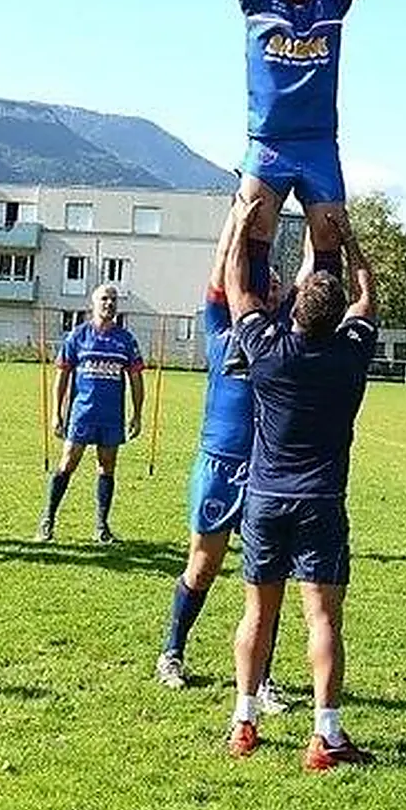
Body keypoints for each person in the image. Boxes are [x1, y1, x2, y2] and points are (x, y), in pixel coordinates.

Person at [224, 200, 377, 771]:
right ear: (337, 319)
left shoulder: (266, 349)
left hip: (265, 499)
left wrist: (242, 226)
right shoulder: (351, 353)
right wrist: (350, 241)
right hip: (321, 502)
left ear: (292, 309)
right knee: (323, 620)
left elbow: (238, 288)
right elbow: (367, 296)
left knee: (257, 615)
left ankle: (244, 722)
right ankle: (325, 736)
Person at [155, 206, 295, 713]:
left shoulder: (285, 338)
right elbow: (220, 273)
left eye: (277, 287)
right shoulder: (219, 329)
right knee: (204, 564)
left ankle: (263, 681)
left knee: (266, 578)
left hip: (266, 473)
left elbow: (308, 278)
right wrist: (237, 223)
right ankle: (172, 652)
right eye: (264, 284)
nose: (270, 290)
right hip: (216, 464)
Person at [229, 0, 373, 322]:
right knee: (255, 228)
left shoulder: (332, 2)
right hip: (268, 142)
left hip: (317, 144)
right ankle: (247, 331)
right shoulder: (257, 1)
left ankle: (320, 330)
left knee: (329, 233)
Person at [37, 284, 145, 544]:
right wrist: (56, 414)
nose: (109, 304)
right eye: (104, 299)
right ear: (93, 303)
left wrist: (137, 414)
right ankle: (47, 521)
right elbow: (61, 376)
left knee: (106, 467)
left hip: (111, 415)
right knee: (67, 464)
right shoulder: (77, 336)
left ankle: (101, 526)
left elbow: (136, 379)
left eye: (114, 300)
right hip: (81, 413)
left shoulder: (126, 340)